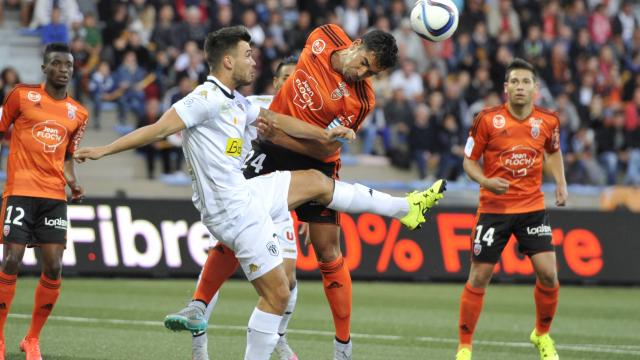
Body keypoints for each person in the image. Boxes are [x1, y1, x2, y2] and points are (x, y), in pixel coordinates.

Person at [73, 26, 446, 360]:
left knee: (316, 188)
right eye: (248, 55)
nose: (256, 61)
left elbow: (275, 118)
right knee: (277, 295)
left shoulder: (238, 102)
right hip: (233, 210)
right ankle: (203, 313)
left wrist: (325, 135)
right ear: (227, 60)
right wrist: (102, 150)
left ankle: (405, 209)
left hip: (249, 193)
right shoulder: (205, 100)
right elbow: (156, 129)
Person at [171, 23, 406, 360]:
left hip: (312, 158)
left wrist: (287, 146)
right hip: (272, 152)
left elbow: (326, 151)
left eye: (373, 72)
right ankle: (198, 306)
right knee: (239, 227)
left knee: (322, 255)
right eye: (365, 63)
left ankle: (341, 347)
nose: (363, 73)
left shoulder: (361, 100)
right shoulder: (320, 39)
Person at [454, 58, 567, 360]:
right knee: (479, 276)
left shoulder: (548, 121)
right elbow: (468, 162)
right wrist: (485, 181)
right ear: (505, 88)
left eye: (525, 82)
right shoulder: (487, 119)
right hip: (493, 209)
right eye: (514, 82)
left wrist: (560, 183)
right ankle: (465, 346)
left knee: (549, 275)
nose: (520, 87)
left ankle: (541, 335)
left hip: (532, 207)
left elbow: (553, 152)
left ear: (535, 89)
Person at [189, 55, 300, 360]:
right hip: (246, 197)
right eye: (285, 77)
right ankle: (199, 346)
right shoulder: (252, 105)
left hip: (279, 201)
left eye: (296, 78)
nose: (291, 82)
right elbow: (232, 144)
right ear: (276, 82)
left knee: (287, 280)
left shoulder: (309, 113)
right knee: (222, 264)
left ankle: (277, 338)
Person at [0, 42, 87, 360]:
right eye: (57, 63)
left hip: (53, 195)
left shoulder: (78, 113)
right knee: (12, 259)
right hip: (20, 190)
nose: (64, 69)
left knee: (54, 266)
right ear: (44, 68)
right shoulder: (21, 95)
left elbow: (67, 157)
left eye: (69, 65)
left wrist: (74, 183)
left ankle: (31, 339)